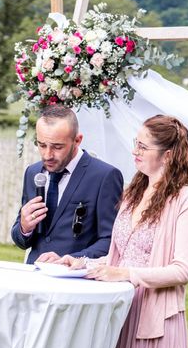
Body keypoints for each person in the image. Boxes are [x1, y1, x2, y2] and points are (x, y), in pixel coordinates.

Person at [59, 114, 188, 348]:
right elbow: (114, 259)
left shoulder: (185, 199)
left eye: (142, 145)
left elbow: (182, 269)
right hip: (123, 315)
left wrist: (125, 274)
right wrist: (79, 263)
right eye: (134, 143)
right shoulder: (132, 192)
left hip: (156, 325)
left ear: (167, 155)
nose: (134, 150)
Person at [11, 104, 124, 264]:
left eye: (57, 147)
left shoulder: (104, 176)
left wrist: (71, 259)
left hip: (77, 281)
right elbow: (22, 241)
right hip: (34, 277)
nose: (47, 155)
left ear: (77, 140)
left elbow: (110, 241)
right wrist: (24, 228)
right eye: (41, 145)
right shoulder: (33, 173)